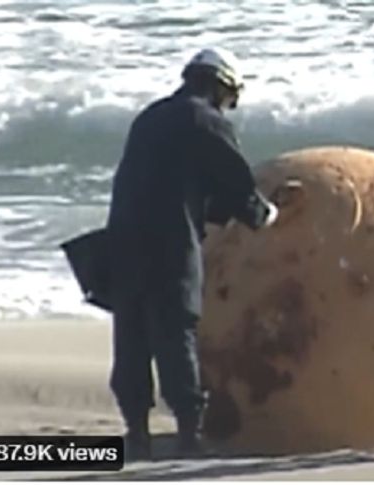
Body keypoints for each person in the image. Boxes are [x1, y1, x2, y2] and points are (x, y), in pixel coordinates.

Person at [105, 47, 279, 460]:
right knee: (175, 333)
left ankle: (137, 434)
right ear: (220, 86)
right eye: (232, 97)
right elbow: (238, 189)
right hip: (169, 244)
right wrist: (267, 214)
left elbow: (187, 185)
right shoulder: (208, 122)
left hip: (123, 240)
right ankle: (188, 434)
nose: (230, 107)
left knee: (131, 337)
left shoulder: (150, 116)